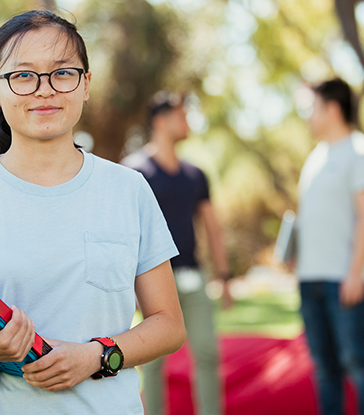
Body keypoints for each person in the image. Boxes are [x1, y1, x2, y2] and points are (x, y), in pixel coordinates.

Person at [0, 10, 186, 415]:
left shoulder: (129, 190)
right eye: (23, 75)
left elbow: (169, 325)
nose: (45, 90)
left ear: (85, 84)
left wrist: (96, 356)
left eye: (62, 73)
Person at [122, 91, 232, 415]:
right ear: (160, 120)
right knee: (153, 363)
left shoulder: (196, 175)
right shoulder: (134, 171)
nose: (187, 122)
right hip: (151, 282)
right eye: (181, 115)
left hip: (194, 277)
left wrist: (225, 276)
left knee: (208, 352)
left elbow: (213, 229)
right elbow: (126, 234)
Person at [295, 78, 364, 415]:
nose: (308, 116)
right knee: (325, 368)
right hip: (310, 279)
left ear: (332, 108)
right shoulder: (315, 158)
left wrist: (356, 273)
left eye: (312, 108)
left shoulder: (362, 153)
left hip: (343, 279)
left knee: (355, 362)